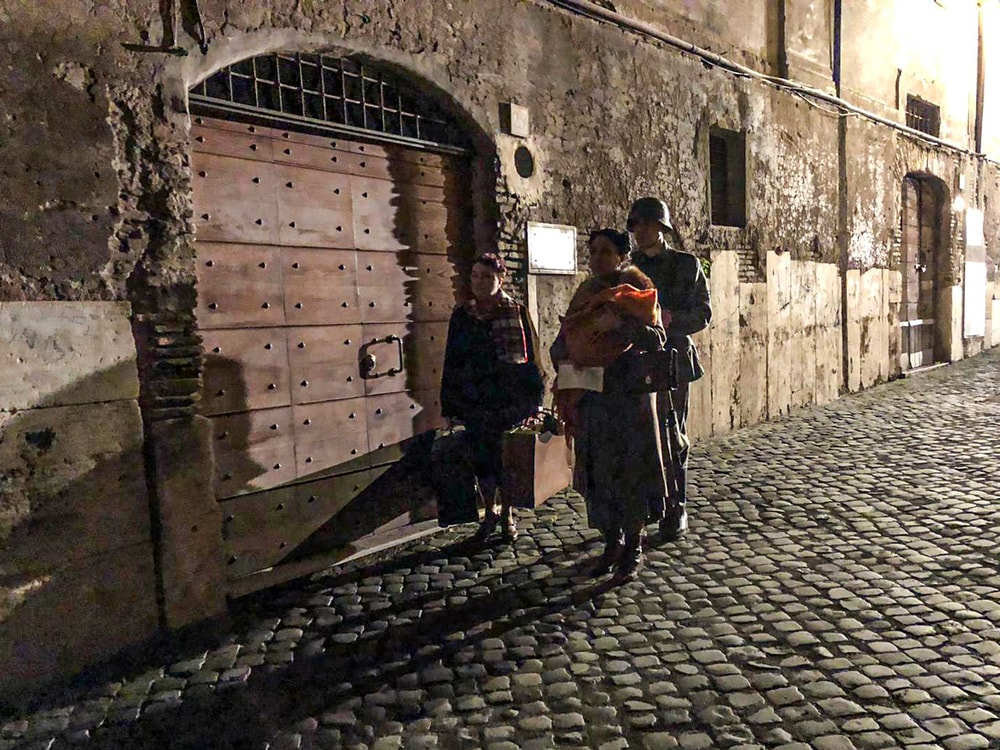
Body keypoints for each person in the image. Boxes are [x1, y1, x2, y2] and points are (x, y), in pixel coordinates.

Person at [551, 229, 669, 581]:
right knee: (601, 474)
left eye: (605, 251)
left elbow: (657, 338)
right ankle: (611, 541)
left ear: (621, 257)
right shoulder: (585, 294)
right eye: (593, 252)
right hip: (593, 400)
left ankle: (633, 546)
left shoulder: (638, 292)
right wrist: (569, 352)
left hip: (629, 400)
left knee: (631, 473)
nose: (597, 258)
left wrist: (620, 324)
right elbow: (562, 342)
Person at [440, 253, 544, 543]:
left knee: (507, 461)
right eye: (475, 276)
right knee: (482, 461)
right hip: (475, 399)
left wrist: (535, 397)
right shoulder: (463, 315)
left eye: (486, 276)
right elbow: (452, 360)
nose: (479, 282)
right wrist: (449, 403)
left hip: (508, 398)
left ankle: (508, 512)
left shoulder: (516, 311)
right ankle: (490, 511)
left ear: (501, 279)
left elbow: (532, 356)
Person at [627, 197, 712, 540]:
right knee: (639, 436)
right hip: (633, 360)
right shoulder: (626, 266)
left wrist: (670, 318)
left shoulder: (686, 265)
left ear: (662, 228)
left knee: (672, 435)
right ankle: (648, 505)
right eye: (636, 225)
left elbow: (703, 313)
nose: (641, 231)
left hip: (672, 359)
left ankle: (676, 506)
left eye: (648, 224)